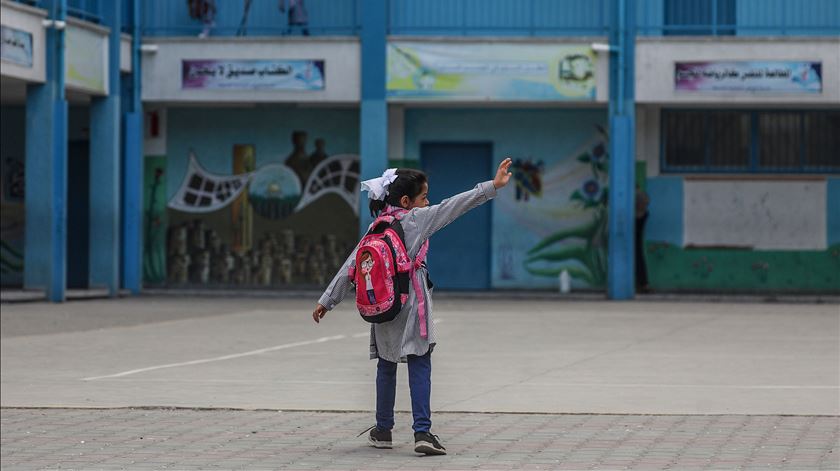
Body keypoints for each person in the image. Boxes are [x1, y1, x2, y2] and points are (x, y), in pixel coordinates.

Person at [312, 158, 513, 456]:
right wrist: (491, 187)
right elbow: (453, 206)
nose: (428, 202)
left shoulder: (377, 226)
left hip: (384, 304)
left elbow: (352, 264)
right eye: (424, 197)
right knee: (420, 362)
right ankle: (422, 432)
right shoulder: (416, 220)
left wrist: (326, 301)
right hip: (413, 301)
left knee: (386, 363)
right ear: (407, 201)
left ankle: (383, 430)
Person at [635, 185, 651, 293]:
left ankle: (642, 284)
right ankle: (643, 284)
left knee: (637, 258)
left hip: (633, 233)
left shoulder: (635, 195)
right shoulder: (642, 195)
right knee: (639, 257)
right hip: (637, 234)